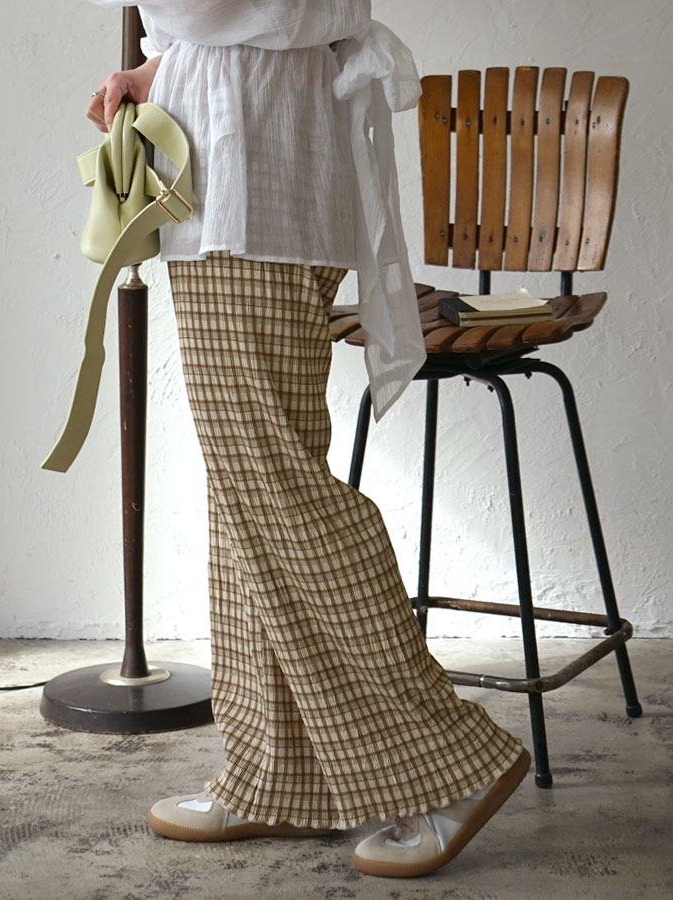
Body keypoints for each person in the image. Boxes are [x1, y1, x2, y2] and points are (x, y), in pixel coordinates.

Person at [85, 0, 530, 879]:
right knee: (245, 497)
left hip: (250, 184)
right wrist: (153, 70)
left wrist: (173, 36)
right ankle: (275, 774)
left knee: (274, 488)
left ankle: (455, 761)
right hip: (233, 173)